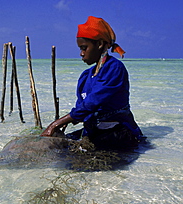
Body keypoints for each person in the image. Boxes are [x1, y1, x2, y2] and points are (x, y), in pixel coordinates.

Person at [41, 16, 143, 151]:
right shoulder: (85, 76)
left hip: (119, 132)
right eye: (80, 49)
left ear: (100, 44)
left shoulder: (114, 68)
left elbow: (91, 104)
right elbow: (82, 108)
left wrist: (55, 124)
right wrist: (65, 124)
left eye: (84, 48)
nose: (81, 54)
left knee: (77, 159)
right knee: (55, 146)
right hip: (94, 130)